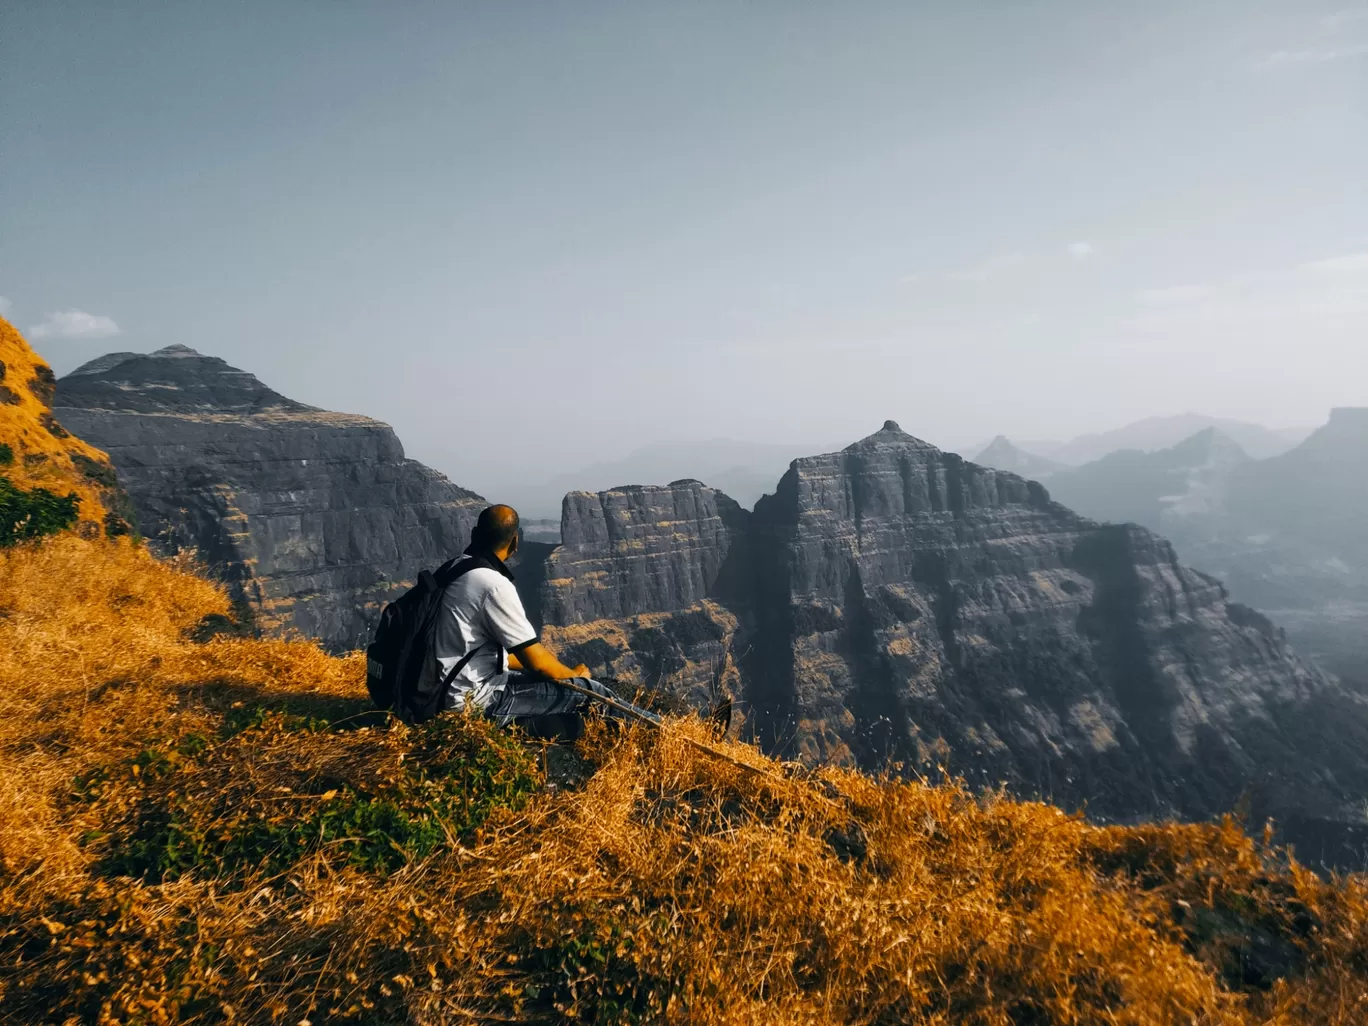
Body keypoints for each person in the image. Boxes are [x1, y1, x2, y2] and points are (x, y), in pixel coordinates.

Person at [428, 503, 623, 728]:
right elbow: (537, 662)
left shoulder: (454, 568)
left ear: (474, 534)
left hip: (445, 689)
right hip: (471, 701)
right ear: (515, 542)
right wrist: (575, 677)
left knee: (543, 687)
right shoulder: (493, 585)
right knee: (592, 692)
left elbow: (494, 655)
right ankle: (664, 730)